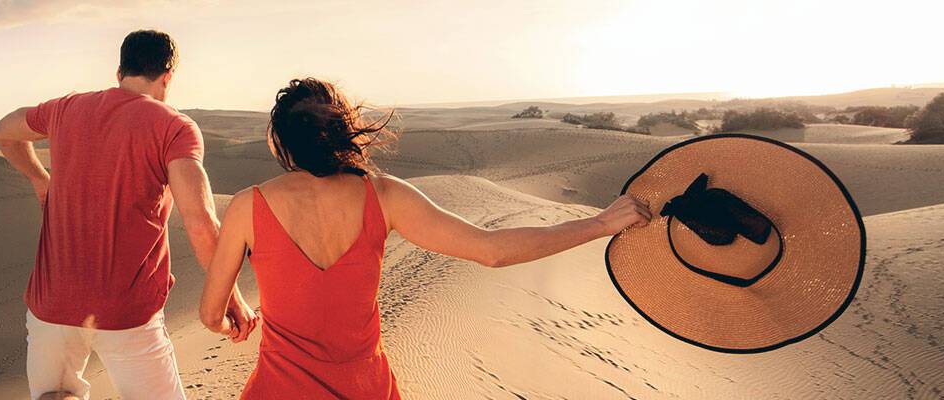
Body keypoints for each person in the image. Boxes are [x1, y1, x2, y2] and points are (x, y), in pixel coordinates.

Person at [196, 78, 651, 398]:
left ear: (282, 143)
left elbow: (211, 314)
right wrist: (598, 224)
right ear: (343, 130)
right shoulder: (385, 196)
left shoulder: (247, 205)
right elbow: (491, 251)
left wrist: (235, 321)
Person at [0, 30, 257, 400]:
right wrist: (233, 300)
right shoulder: (174, 127)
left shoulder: (65, 108)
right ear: (168, 76)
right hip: (126, 315)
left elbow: (3, 131)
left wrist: (40, 179)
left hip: (51, 307)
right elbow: (199, 223)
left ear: (119, 71)